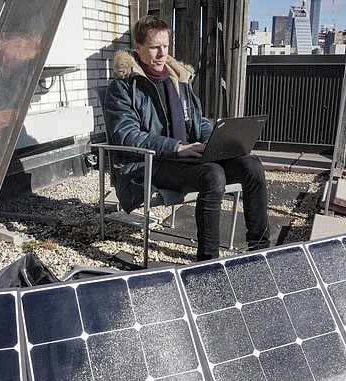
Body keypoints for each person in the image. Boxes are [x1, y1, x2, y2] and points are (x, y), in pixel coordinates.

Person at [103, 15, 270, 261]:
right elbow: (126, 135)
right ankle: (207, 261)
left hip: (186, 158)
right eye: (154, 47)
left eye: (165, 46)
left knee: (251, 165)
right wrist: (176, 147)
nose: (161, 54)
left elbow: (198, 121)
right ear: (137, 48)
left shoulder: (178, 79)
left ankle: (260, 248)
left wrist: (215, 142)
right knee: (213, 175)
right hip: (150, 165)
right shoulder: (124, 86)